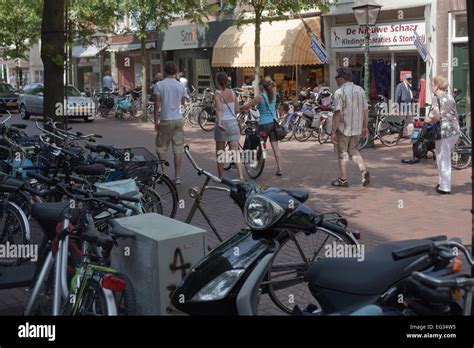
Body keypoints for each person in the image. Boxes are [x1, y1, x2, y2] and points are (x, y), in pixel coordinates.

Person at [330, 67, 370, 187]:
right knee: (353, 150)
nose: (335, 80)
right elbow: (365, 110)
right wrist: (365, 127)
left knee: (342, 153)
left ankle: (343, 179)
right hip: (356, 127)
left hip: (343, 127)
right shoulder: (360, 90)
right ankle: (363, 169)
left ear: (342, 78)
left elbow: (337, 113)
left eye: (336, 77)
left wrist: (333, 131)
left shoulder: (339, 92)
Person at [154, 61, 187, 185]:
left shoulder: (159, 85)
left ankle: (164, 173)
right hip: (178, 119)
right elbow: (183, 103)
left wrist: (156, 121)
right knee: (178, 148)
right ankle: (177, 176)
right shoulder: (180, 86)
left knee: (161, 147)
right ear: (175, 71)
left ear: (165, 71)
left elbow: (157, 103)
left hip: (166, 118)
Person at [243, 79, 284, 176]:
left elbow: (247, 106)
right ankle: (280, 169)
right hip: (274, 124)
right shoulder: (273, 95)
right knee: (276, 148)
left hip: (263, 125)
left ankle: (258, 167)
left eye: (259, 86)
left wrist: (237, 109)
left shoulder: (259, 97)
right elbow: (273, 86)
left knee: (262, 147)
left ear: (262, 87)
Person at [427, 75, 460, 194]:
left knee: (443, 158)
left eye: (432, 84)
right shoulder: (450, 97)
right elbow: (456, 115)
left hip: (444, 130)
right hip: (454, 129)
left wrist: (428, 120)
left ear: (436, 86)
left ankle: (445, 187)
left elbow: (437, 117)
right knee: (441, 156)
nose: (432, 87)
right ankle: (441, 182)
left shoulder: (436, 98)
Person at [214, 72, 244, 180]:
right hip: (233, 124)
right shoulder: (232, 92)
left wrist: (219, 122)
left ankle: (221, 176)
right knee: (235, 151)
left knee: (220, 152)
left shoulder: (217, 93)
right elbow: (237, 110)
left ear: (217, 81)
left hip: (223, 125)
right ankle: (241, 176)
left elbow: (219, 109)